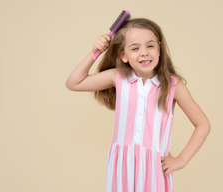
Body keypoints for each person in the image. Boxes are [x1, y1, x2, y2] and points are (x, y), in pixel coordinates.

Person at [66, 18, 211, 192]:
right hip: (122, 166)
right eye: (135, 48)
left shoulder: (173, 85)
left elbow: (203, 124)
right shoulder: (118, 77)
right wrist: (94, 52)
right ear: (123, 55)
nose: (144, 53)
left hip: (154, 168)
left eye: (150, 46)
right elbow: (74, 83)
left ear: (159, 49)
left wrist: (182, 159)